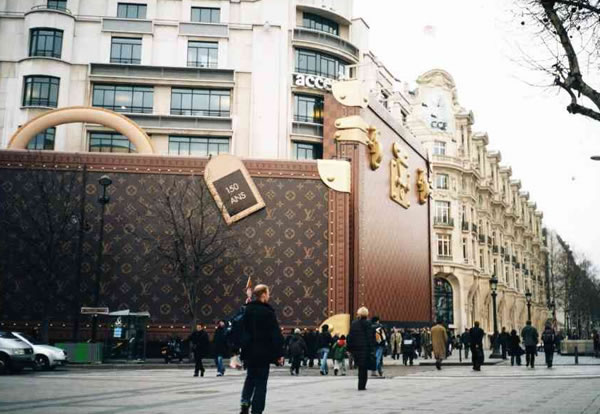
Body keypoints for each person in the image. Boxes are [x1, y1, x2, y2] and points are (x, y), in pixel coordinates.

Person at [239, 284, 284, 414]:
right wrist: (279, 354)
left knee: (250, 378)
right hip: (264, 353)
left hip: (249, 352)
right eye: (268, 293)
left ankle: (245, 401)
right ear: (263, 294)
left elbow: (242, 331)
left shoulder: (247, 310)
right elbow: (275, 334)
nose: (269, 295)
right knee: (261, 382)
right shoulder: (268, 312)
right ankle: (257, 410)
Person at [347, 307, 375, 391]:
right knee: (364, 368)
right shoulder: (368, 323)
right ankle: (362, 385)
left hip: (356, 348)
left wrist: (349, 348)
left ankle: (360, 384)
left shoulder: (354, 323)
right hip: (365, 348)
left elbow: (350, 336)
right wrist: (372, 349)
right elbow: (370, 337)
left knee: (360, 366)